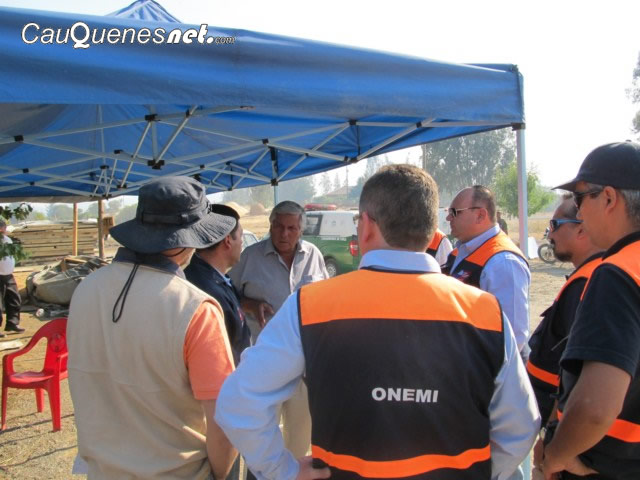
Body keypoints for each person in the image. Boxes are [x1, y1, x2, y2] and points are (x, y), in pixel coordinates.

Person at [216, 164, 540, 480]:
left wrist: (282, 470)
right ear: (431, 230)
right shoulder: (485, 312)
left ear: (366, 226)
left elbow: (239, 403)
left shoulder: (309, 306)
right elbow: (521, 426)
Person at [67, 177, 237, 480]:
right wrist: (219, 473)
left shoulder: (85, 290)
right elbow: (224, 422)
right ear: (187, 240)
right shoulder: (195, 308)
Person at [542, 142, 640, 480]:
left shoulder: (618, 273)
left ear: (609, 198)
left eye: (581, 198)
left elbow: (596, 408)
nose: (579, 213)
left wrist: (556, 456)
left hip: (608, 466)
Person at [228, 200, 328, 462]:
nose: (284, 234)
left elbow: (324, 300)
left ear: (301, 230)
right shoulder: (249, 257)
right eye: (279, 226)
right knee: (261, 444)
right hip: (263, 365)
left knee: (298, 442)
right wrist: (250, 304)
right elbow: (228, 297)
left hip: (303, 366)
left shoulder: (314, 256)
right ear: (270, 226)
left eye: (291, 228)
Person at [527, 194, 603, 427]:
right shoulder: (590, 277)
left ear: (581, 229)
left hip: (559, 421)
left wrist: (554, 432)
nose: (550, 235)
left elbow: (581, 376)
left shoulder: (589, 283)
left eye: (555, 225)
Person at [442, 185, 531, 358]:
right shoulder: (461, 251)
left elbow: (513, 337)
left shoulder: (503, 262)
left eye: (454, 212)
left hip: (486, 368)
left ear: (480, 215)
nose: (448, 218)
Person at [185, 204, 251, 366]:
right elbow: (221, 356)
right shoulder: (209, 292)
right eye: (240, 236)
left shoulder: (213, 277)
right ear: (228, 241)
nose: (242, 242)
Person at [0, 219, 23, 335]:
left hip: (8, 275)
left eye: (3, 228)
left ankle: (12, 323)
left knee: (14, 299)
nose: (3, 230)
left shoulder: (7, 240)